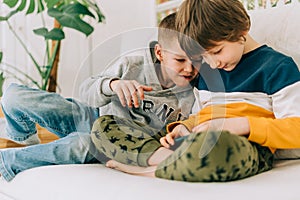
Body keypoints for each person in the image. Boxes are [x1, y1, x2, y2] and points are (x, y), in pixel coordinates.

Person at [99, 0, 300, 182]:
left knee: (215, 147)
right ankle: (168, 158)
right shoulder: (208, 70)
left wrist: (242, 125)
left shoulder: (278, 68)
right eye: (203, 57)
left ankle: (154, 167)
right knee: (104, 126)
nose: (213, 63)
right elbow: (201, 116)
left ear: (242, 30)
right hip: (197, 140)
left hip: (246, 146)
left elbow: (296, 129)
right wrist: (183, 127)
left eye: (217, 51)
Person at [0, 13, 200, 182]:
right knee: (13, 96)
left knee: (77, 146)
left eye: (196, 60)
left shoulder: (193, 94)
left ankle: (6, 162)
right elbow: (86, 91)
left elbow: (194, 126)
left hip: (113, 141)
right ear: (160, 52)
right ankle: (25, 140)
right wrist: (112, 85)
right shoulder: (133, 64)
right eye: (180, 60)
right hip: (91, 114)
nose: (189, 68)